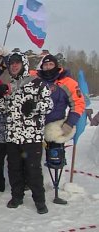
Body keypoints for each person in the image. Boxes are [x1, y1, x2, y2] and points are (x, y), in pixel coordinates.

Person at [0, 52, 53, 214]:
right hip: (12, 137)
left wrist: (34, 107)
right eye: (11, 63)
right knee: (14, 169)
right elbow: (2, 110)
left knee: (33, 170)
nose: (13, 65)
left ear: (24, 64)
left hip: (31, 137)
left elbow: (49, 105)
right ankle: (17, 197)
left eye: (17, 62)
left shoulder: (38, 83)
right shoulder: (10, 86)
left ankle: (40, 201)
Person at [38, 54, 85, 204]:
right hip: (35, 126)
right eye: (45, 65)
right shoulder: (36, 79)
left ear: (56, 66)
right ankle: (35, 183)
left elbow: (78, 103)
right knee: (32, 157)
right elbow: (18, 70)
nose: (47, 67)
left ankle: (56, 187)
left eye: (50, 64)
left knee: (55, 159)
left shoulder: (68, 82)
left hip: (55, 127)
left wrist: (70, 123)